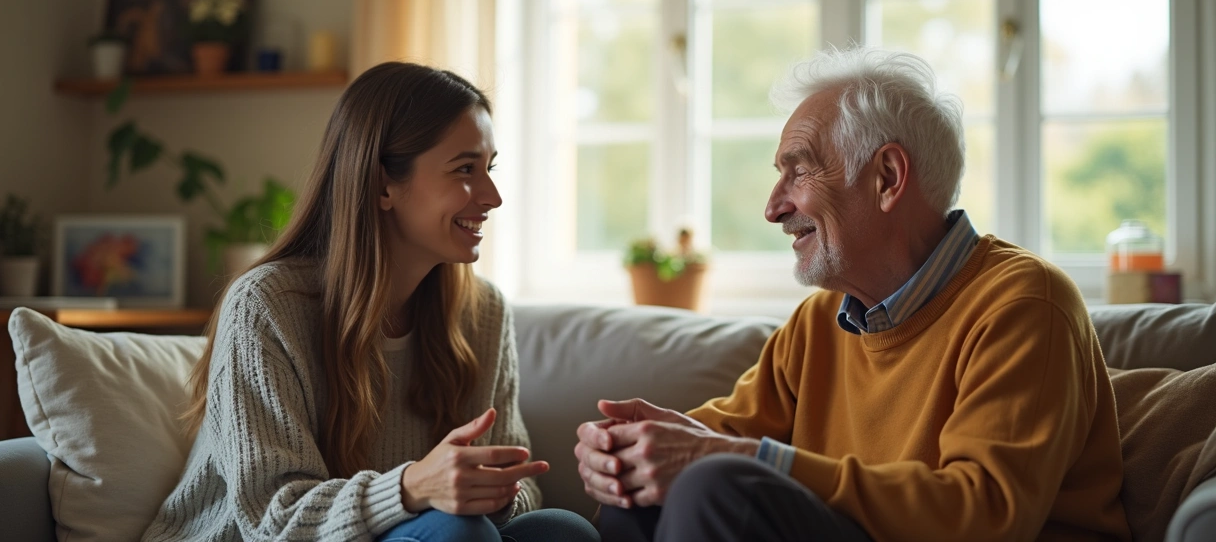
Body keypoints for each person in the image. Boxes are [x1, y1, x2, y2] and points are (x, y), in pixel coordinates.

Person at [574, 47, 1131, 542]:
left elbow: (985, 513)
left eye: (799, 172)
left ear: (887, 177)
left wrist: (733, 459)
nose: (773, 207)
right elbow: (730, 434)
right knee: (638, 502)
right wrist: (639, 447)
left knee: (713, 488)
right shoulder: (822, 319)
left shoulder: (1024, 302)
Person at [143, 62, 599, 542]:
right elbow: (272, 517)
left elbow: (519, 476)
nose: (493, 196)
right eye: (465, 169)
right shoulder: (266, 305)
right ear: (383, 184)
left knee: (561, 531)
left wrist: (496, 488)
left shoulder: (482, 313)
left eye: (490, 168)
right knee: (461, 535)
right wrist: (411, 488)